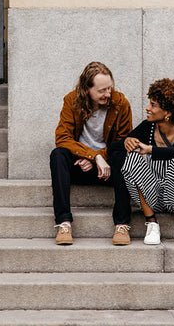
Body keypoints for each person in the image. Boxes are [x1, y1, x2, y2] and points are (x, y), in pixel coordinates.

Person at [50, 61, 133, 245]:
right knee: (58, 154)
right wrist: (92, 156)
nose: (107, 94)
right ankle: (64, 222)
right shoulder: (71, 101)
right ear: (87, 89)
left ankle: (122, 224)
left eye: (109, 88)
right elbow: (62, 138)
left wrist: (101, 157)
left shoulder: (120, 103)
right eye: (102, 90)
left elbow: (124, 141)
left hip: (109, 168)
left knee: (123, 156)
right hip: (81, 167)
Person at [120, 78, 174, 247]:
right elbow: (116, 146)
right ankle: (152, 223)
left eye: (153, 105)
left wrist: (151, 150)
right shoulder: (147, 127)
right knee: (131, 157)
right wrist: (127, 141)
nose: (148, 108)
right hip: (153, 196)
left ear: (168, 112)